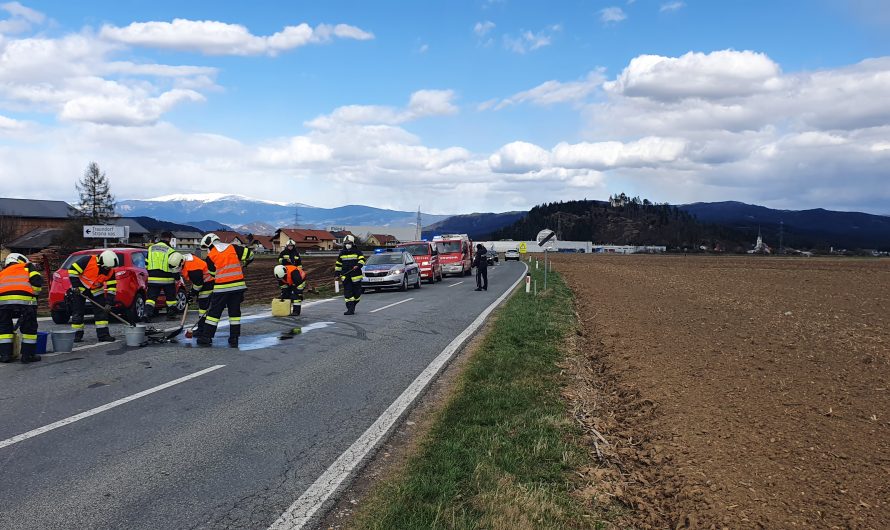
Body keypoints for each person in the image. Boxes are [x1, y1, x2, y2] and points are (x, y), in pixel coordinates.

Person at [197, 233, 254, 347]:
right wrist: (245, 263)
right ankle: (234, 338)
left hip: (221, 289)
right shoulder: (233, 247)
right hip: (238, 287)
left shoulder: (211, 256)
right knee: (234, 314)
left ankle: (206, 337)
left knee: (214, 313)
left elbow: (213, 274)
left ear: (209, 244)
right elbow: (250, 254)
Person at [68, 250, 119, 343]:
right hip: (80, 290)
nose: (108, 269)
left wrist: (109, 303)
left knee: (102, 312)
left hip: (96, 291)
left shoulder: (111, 271)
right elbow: (72, 271)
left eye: (110, 268)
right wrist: (75, 286)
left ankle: (103, 335)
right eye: (107, 267)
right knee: (78, 312)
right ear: (101, 262)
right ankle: (76, 335)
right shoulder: (87, 260)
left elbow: (112, 288)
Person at [0, 253, 43, 363]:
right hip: (25, 302)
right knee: (29, 328)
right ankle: (27, 356)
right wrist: (34, 295)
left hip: (3, 303)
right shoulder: (27, 266)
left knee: (4, 329)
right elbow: (37, 281)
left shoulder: (2, 272)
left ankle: (5, 356)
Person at [144, 231, 178, 321]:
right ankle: (171, 315)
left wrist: (150, 272)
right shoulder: (170, 250)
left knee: (151, 299)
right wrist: (177, 277)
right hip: (167, 278)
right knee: (171, 299)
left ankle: (147, 314)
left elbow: (146, 263)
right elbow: (174, 265)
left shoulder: (151, 248)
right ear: (169, 239)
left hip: (153, 278)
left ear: (160, 238)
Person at [179, 252, 213, 335]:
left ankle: (202, 330)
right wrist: (192, 293)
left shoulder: (193, 268)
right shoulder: (185, 259)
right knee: (202, 308)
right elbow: (196, 281)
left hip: (208, 284)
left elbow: (198, 284)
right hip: (204, 282)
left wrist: (192, 294)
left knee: (203, 308)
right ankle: (202, 329)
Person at [334, 235, 365, 315]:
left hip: (356, 276)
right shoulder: (342, 253)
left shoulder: (358, 252)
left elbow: (362, 260)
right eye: (346, 243)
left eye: (349, 243)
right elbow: (338, 265)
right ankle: (350, 309)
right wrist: (336, 274)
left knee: (357, 294)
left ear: (352, 243)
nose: (347, 244)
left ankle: (353, 305)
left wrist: (358, 265)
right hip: (345, 276)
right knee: (348, 293)